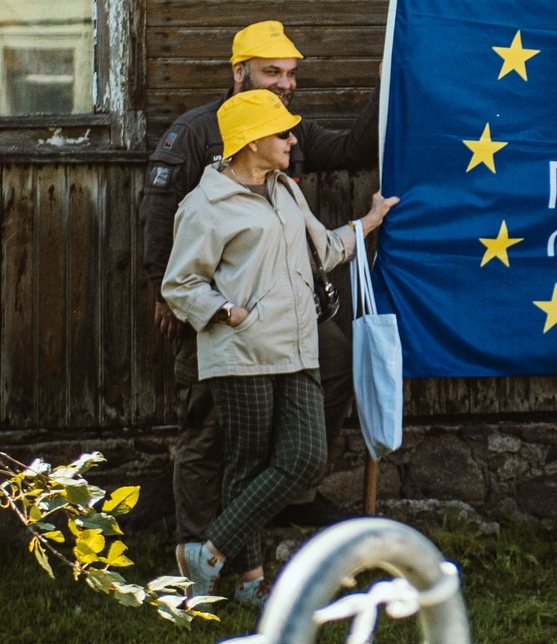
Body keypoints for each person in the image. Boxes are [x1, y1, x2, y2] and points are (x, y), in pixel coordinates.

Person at [140, 21, 378, 562]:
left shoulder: (292, 130)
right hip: (223, 313)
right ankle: (197, 543)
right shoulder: (196, 132)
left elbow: (352, 149)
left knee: (335, 360)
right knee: (209, 427)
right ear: (239, 72)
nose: (284, 84)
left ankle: (290, 496)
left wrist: (389, 79)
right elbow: (160, 215)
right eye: (272, 72)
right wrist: (166, 293)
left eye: (291, 74)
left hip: (290, 309)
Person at [163, 88, 398, 603]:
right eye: (283, 132)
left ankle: (209, 551)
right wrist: (227, 312)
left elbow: (325, 249)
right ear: (250, 143)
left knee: (305, 457)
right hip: (241, 353)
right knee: (246, 464)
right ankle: (249, 584)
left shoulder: (286, 191)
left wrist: (371, 222)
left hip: (296, 348)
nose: (294, 139)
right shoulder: (204, 206)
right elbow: (180, 284)